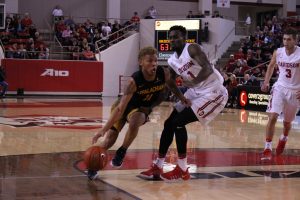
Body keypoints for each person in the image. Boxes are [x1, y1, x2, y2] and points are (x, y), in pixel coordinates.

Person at [140, 25, 228, 181]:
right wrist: (154, 106)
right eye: (171, 37)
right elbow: (171, 83)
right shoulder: (172, 60)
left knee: (178, 123)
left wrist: (193, 82)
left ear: (184, 37)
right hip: (195, 92)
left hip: (214, 92)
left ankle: (182, 168)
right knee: (168, 123)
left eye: (176, 36)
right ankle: (158, 166)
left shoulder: (192, 49)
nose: (173, 39)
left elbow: (207, 68)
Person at [88, 46, 189, 180]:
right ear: (140, 62)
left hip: (140, 109)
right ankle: (93, 165)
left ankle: (122, 151)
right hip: (122, 107)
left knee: (137, 118)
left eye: (155, 61)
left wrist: (182, 99)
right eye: (149, 61)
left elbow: (171, 87)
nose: (153, 64)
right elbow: (120, 109)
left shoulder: (163, 73)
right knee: (109, 141)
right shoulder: (134, 81)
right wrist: (103, 130)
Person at [260, 29, 300, 160]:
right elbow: (271, 66)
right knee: (272, 117)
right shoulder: (278, 52)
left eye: (289, 39)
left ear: (295, 40)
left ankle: (284, 138)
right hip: (280, 88)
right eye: (284, 39)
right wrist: (266, 82)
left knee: (287, 124)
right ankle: (267, 147)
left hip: (295, 91)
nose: (286, 42)